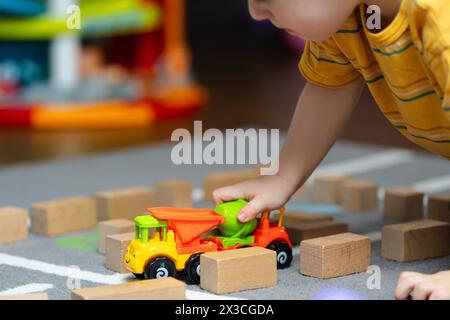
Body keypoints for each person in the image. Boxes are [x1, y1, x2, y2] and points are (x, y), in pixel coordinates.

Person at [212, 0, 450, 300]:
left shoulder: (441, 23)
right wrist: (283, 177)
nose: (255, 13)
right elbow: (330, 85)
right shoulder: (344, 18)